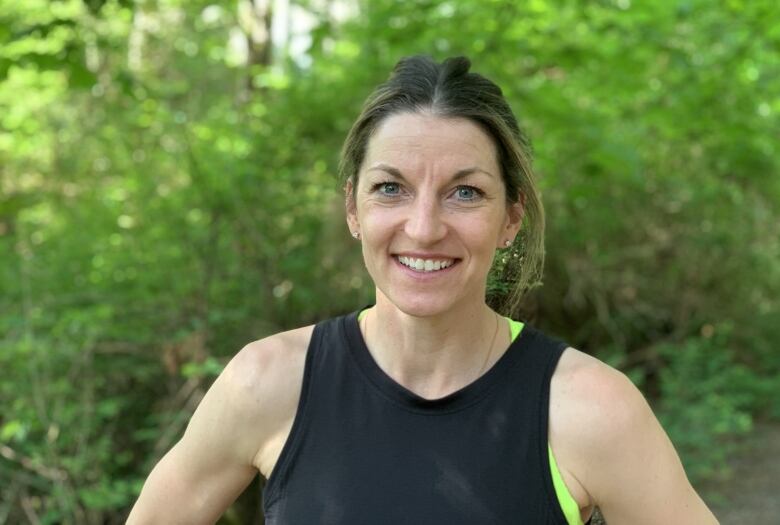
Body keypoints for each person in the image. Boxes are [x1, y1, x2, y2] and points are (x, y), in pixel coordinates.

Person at [127, 56, 719, 524]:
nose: (424, 227)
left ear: (510, 219)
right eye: (391, 188)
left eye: (465, 193)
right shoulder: (269, 382)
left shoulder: (590, 410)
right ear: (353, 209)